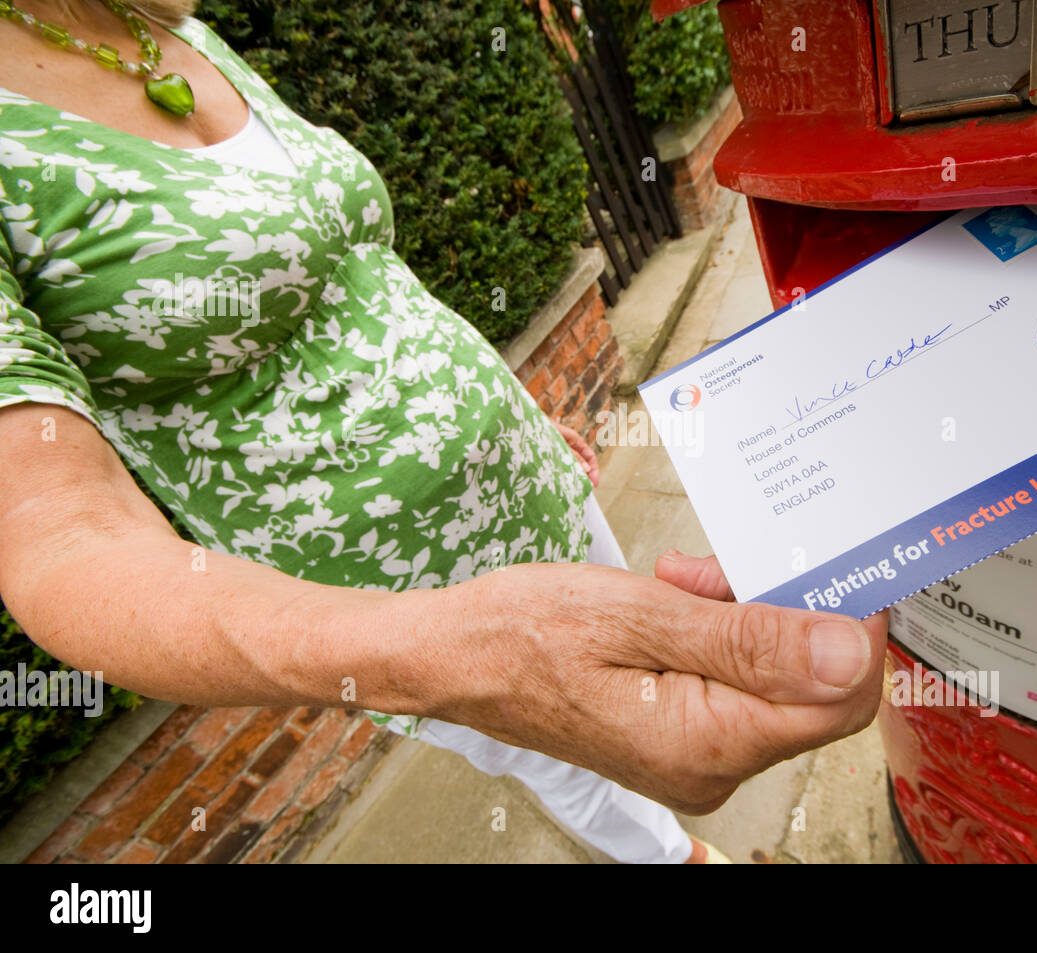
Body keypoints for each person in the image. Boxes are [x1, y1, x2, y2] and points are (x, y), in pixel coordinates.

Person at [0, 0, 887, 864]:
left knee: (645, 664)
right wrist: (438, 654)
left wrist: (509, 412)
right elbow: (63, 540)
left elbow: (363, 277)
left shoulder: (177, 32)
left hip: (524, 474)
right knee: (561, 751)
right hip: (403, 585)